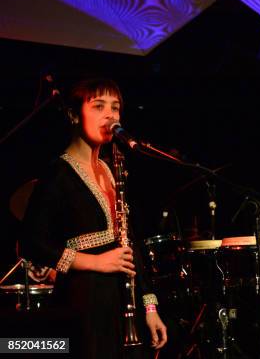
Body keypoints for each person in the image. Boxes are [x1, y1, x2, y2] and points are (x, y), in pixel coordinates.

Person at [20, 78, 167, 358]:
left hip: (125, 304)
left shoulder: (113, 170)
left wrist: (150, 307)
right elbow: (31, 242)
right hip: (84, 304)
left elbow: (130, 244)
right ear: (74, 115)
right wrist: (95, 262)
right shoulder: (57, 174)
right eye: (99, 106)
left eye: (116, 107)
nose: (111, 115)